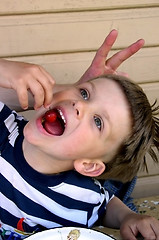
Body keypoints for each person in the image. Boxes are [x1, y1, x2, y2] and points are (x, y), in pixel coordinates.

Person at [1, 30, 159, 240]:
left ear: (89, 165)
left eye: (98, 121)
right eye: (84, 93)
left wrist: (128, 217)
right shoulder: (4, 126)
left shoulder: (83, 197)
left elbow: (104, 204)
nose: (79, 104)